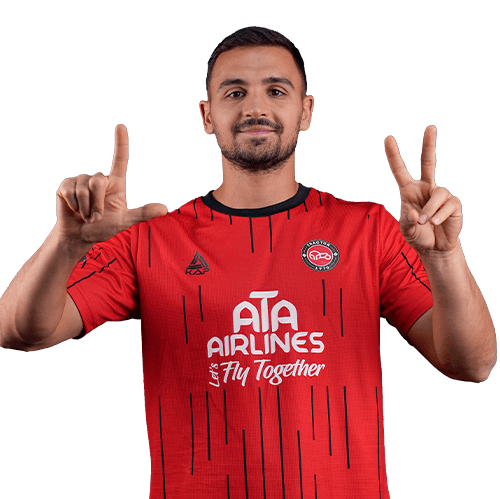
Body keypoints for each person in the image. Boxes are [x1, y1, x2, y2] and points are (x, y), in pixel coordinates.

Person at [0, 26, 496, 498]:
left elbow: (473, 364)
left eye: (276, 91)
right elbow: (19, 331)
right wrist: (66, 245)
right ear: (206, 115)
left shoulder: (368, 229)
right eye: (234, 92)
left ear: (306, 111)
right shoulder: (150, 241)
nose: (256, 107)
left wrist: (444, 255)